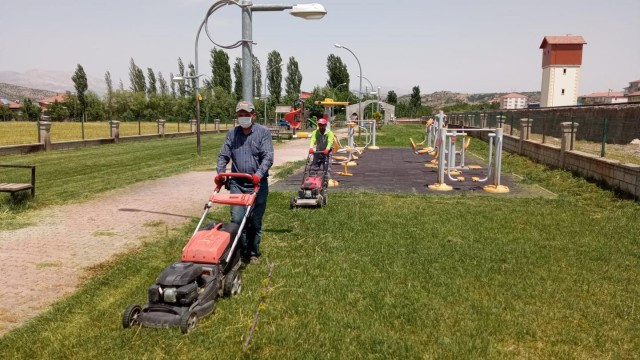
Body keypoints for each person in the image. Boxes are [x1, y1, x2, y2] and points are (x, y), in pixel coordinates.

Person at [217, 100, 274, 265]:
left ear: (253, 115)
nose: (243, 118)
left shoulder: (263, 133)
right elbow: (223, 156)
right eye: (240, 115)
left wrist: (258, 174)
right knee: (237, 219)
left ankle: (253, 252)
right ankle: (240, 251)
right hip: (237, 183)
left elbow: (268, 157)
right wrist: (221, 173)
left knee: (255, 220)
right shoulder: (232, 134)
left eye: (246, 115)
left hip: (258, 183)